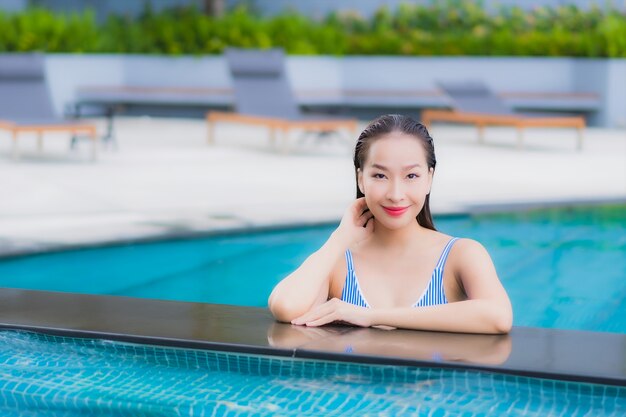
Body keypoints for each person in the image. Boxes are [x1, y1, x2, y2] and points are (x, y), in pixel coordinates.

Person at [268, 114, 512, 334]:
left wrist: (370, 316)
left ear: (430, 179)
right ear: (360, 179)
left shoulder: (460, 255)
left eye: (411, 176)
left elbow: (499, 316)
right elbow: (286, 306)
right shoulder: (340, 262)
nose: (396, 194)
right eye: (380, 175)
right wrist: (339, 239)